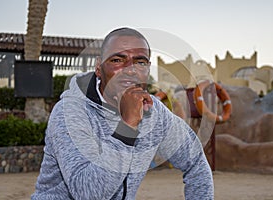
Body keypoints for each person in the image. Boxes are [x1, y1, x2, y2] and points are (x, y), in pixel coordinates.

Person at [31, 27, 214, 200]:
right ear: (98, 67)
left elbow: (196, 163)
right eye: (117, 60)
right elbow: (88, 194)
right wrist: (127, 127)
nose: (130, 70)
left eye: (140, 62)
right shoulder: (70, 112)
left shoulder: (154, 112)